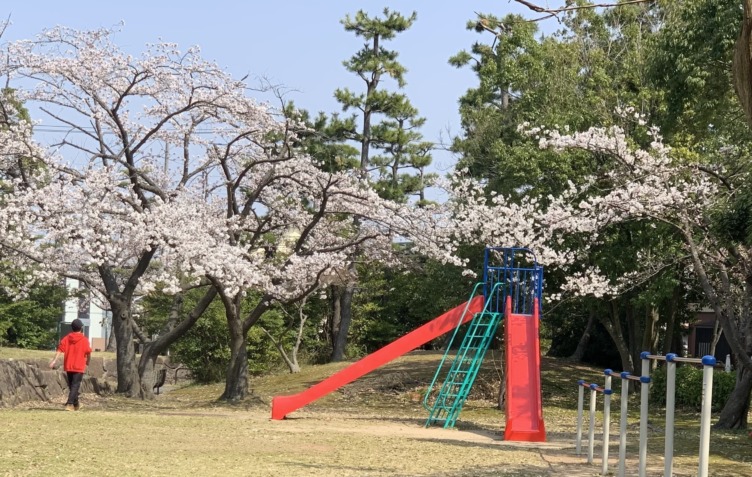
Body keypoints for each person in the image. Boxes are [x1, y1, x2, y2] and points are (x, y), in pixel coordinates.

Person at [49, 319, 92, 411]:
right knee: (75, 385)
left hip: (69, 365)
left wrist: (54, 361)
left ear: (72, 328)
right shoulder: (84, 340)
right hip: (79, 365)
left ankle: (76, 404)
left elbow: (60, 350)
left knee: (72, 385)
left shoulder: (67, 338)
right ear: (81, 328)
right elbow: (88, 352)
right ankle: (70, 403)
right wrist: (88, 362)